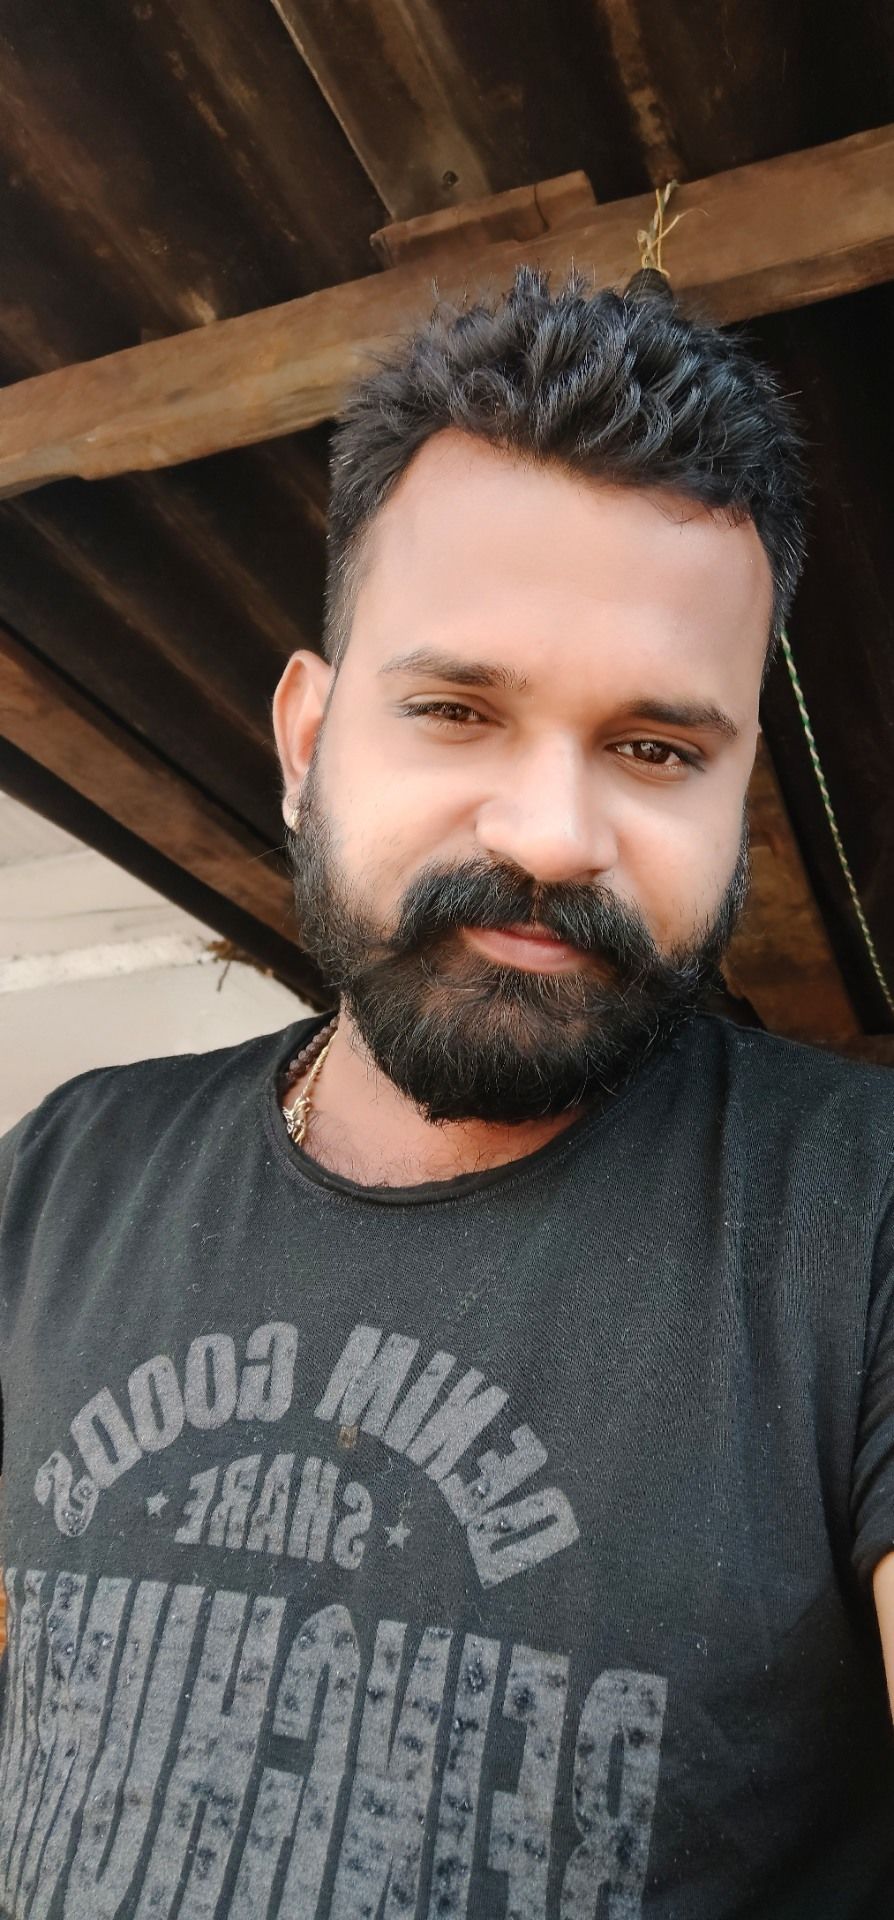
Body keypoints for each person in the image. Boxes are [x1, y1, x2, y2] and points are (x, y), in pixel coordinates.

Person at [1, 268, 892, 1920]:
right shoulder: (61, 1175)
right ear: (306, 739)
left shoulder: (863, 1219)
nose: (550, 833)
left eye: (654, 748)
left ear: (737, 791)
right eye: (454, 710)